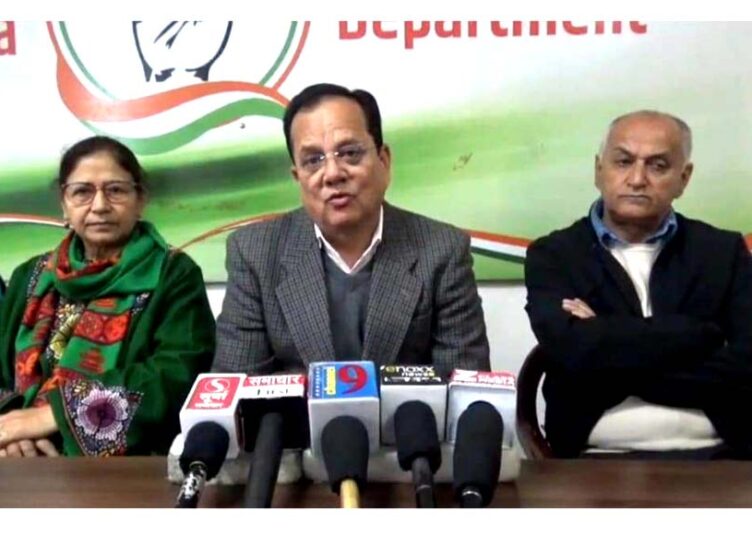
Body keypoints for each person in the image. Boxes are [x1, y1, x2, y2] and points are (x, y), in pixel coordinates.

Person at [213, 83, 489, 377]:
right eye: (313, 160)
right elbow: (238, 389)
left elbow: (464, 390)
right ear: (298, 177)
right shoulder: (255, 254)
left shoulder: (442, 250)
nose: (332, 174)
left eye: (349, 153)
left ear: (383, 162)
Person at [525, 110, 752, 459]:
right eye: (623, 162)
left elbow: (744, 363)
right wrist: (697, 336)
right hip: (591, 458)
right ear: (598, 169)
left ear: (684, 178)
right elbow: (571, 349)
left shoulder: (723, 252)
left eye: (657, 166)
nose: (637, 179)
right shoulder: (554, 255)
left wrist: (605, 337)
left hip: (721, 454)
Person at [0, 136, 215, 457]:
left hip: (126, 465)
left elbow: (178, 375)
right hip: (19, 456)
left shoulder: (173, 274)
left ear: (140, 199)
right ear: (64, 203)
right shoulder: (29, 276)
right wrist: (15, 430)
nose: (99, 205)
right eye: (82, 192)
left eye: (115, 190)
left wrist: (53, 416)